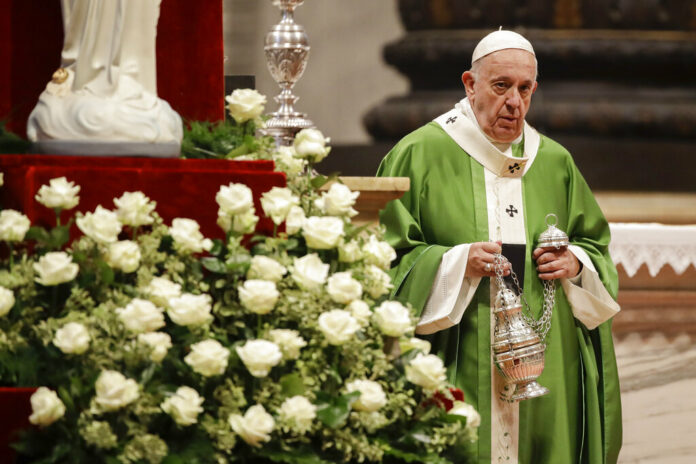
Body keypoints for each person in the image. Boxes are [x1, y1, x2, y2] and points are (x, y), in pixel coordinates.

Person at [377, 30, 622, 464]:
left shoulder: (553, 160)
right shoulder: (419, 152)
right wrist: (455, 263)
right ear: (470, 84)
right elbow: (386, 259)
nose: (515, 102)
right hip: (458, 347)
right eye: (501, 86)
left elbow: (594, 245)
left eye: (525, 89)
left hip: (545, 355)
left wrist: (575, 262)